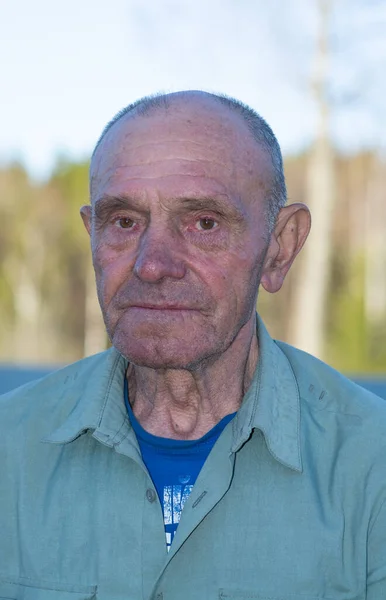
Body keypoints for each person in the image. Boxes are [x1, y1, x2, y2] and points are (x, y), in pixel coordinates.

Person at [1, 90, 386, 600]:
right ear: (91, 234)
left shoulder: (371, 465)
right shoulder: (10, 450)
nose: (153, 264)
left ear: (279, 247)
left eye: (204, 224)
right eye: (124, 222)